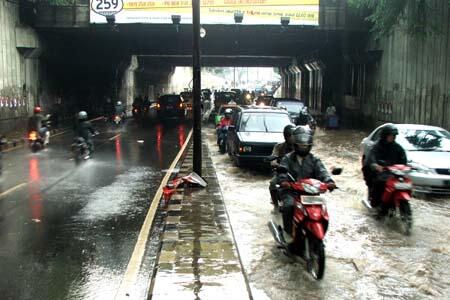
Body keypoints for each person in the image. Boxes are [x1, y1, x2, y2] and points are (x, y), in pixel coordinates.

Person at [278, 126, 336, 236]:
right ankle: (288, 234)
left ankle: (320, 233)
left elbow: (322, 171)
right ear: (295, 144)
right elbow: (282, 172)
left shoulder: (314, 159)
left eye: (305, 145)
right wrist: (284, 181)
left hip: (311, 193)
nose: (303, 147)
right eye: (301, 145)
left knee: (322, 210)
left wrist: (329, 182)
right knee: (288, 206)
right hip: (292, 192)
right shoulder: (287, 158)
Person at [363, 124, 407, 214]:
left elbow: (403, 160)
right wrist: (375, 165)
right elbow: (371, 158)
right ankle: (376, 205)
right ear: (385, 135)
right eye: (391, 135)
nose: (393, 138)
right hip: (380, 174)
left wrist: (405, 167)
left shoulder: (398, 148)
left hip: (394, 174)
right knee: (379, 183)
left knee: (405, 184)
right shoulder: (376, 146)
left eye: (394, 136)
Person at [269, 124, 295, 204]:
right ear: (286, 136)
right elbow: (273, 159)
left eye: (294, 135)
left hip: (296, 172)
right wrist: (277, 165)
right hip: (282, 172)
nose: (293, 138)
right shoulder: (279, 147)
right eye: (291, 136)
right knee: (272, 184)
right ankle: (275, 203)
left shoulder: (299, 147)